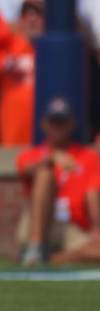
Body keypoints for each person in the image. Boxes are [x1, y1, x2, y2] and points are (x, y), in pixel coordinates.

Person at [15, 98, 100, 266]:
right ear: (44, 124)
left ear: (71, 125)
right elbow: (25, 170)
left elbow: (92, 195)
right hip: (37, 223)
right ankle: (35, 246)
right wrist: (51, 159)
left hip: (70, 227)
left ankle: (48, 259)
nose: (58, 127)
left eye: (62, 122)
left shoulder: (88, 156)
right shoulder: (30, 155)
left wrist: (96, 227)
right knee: (45, 175)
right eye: (53, 122)